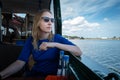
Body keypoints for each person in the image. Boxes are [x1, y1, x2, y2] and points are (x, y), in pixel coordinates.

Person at [0, 9, 82, 79]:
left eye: (52, 20)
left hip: (51, 77)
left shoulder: (57, 38)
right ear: (38, 22)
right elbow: (20, 62)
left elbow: (78, 51)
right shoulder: (31, 40)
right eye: (46, 19)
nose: (50, 23)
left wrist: (54, 44)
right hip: (34, 76)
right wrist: (1, 75)